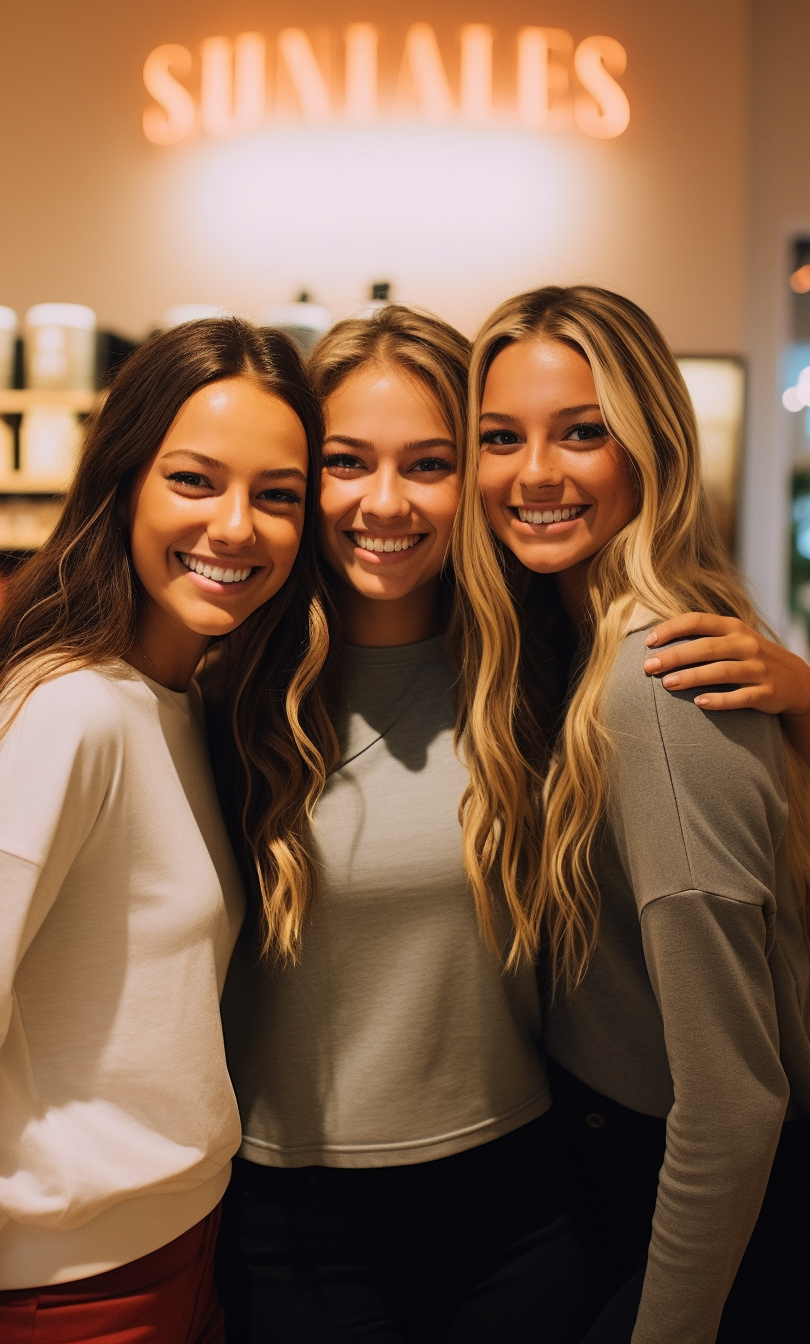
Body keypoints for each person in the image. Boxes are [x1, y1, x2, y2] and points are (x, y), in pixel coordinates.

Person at [0, 318, 332, 1344]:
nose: (236, 526)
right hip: (64, 1294)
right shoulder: (68, 713)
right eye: (194, 480)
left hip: (179, 1254)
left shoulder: (188, 697)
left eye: (276, 495)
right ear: (123, 479)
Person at [217, 305, 592, 1344]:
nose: (385, 502)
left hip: (521, 1203)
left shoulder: (541, 669)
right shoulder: (227, 687)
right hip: (294, 1222)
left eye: (428, 463)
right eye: (346, 462)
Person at [453, 284, 810, 1343]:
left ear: (648, 444)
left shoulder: (651, 690)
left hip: (705, 1203)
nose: (535, 474)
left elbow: (733, 1104)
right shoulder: (564, 641)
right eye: (499, 438)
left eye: (582, 432)